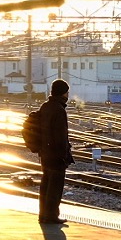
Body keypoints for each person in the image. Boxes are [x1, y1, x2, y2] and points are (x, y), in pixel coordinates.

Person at [37, 78, 75, 224]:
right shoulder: (59, 110)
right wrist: (64, 155)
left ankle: (43, 214)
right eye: (67, 92)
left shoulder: (45, 106)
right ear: (64, 93)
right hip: (56, 155)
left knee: (46, 184)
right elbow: (60, 136)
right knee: (55, 187)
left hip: (45, 153)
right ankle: (52, 216)